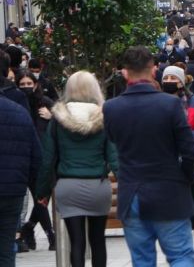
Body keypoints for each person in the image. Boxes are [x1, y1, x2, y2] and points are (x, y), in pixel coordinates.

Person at [103, 46, 194, 266]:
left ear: (125, 72)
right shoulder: (170, 104)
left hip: (131, 193)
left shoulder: (111, 108)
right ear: (153, 70)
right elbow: (190, 150)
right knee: (181, 256)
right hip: (169, 191)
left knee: (142, 260)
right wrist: (186, 177)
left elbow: (111, 147)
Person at [36, 71, 119, 267]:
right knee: (98, 241)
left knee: (77, 242)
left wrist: (42, 192)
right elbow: (114, 156)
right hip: (98, 185)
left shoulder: (57, 119)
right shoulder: (104, 117)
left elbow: (48, 159)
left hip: (68, 185)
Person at [161, 66, 194, 254]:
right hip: (167, 159)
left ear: (182, 81)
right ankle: (178, 236)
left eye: (173, 78)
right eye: (165, 77)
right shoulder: (158, 104)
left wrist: (188, 135)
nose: (168, 80)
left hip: (191, 158)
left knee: (193, 198)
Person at [14, 72, 56, 251]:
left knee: (41, 197)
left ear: (36, 84)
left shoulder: (45, 102)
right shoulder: (17, 105)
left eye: (29, 83)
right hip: (24, 157)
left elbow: (62, 123)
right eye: (22, 84)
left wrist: (51, 116)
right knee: (39, 198)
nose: (26, 87)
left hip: (44, 157)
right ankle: (49, 235)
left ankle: (29, 227)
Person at [0, 95, 41, 267]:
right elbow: (36, 157)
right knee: (6, 249)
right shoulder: (20, 112)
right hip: (13, 192)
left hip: (14, 188)